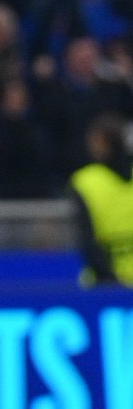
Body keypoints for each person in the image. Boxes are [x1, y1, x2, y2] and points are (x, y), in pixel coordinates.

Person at [71, 114, 133, 287]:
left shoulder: (85, 181)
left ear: (100, 142)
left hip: (104, 286)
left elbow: (87, 239)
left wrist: (109, 280)